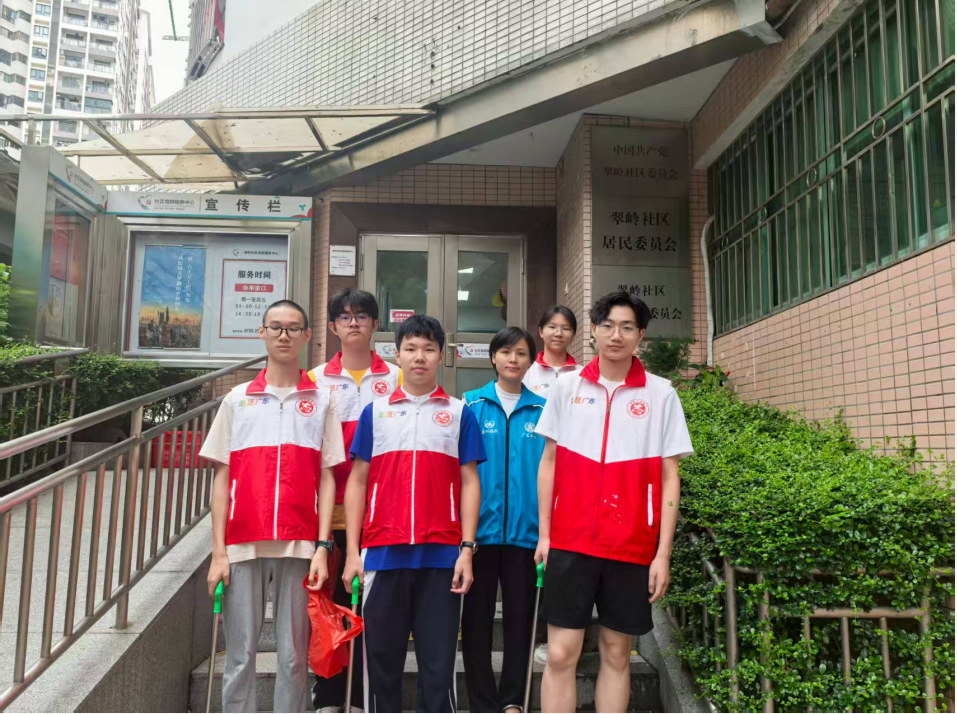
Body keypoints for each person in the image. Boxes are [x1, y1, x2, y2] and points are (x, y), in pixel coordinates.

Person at [534, 291, 693, 713]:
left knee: (617, 652)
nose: (616, 335)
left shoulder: (661, 394)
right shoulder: (567, 387)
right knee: (560, 653)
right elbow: (548, 462)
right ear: (593, 330)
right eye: (607, 326)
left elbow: (670, 477)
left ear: (640, 335)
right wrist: (545, 534)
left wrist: (662, 554)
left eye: (626, 327)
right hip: (569, 541)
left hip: (630, 546)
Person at [201, 299, 344, 713]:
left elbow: (328, 478)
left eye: (293, 328)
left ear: (307, 336)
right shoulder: (237, 399)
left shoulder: (322, 400)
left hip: (301, 544)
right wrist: (218, 552)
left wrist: (323, 547)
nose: (284, 335)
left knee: (294, 656)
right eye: (276, 327)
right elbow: (221, 477)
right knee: (240, 655)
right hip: (242, 541)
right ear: (261, 332)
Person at [342, 314, 486, 713]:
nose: (419, 357)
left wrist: (467, 549)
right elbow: (357, 482)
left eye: (428, 349)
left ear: (440, 355)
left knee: (438, 669)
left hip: (442, 558)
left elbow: (470, 482)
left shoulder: (459, 413)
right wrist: (352, 551)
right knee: (381, 666)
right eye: (411, 348)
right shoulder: (375, 412)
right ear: (397, 354)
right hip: (382, 555)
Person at [309, 288, 402, 713]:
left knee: (374, 607)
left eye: (362, 315)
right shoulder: (315, 380)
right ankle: (329, 694)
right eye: (344, 317)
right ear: (332, 327)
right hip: (330, 515)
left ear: (375, 324)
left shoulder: (397, 377)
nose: (353, 322)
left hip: (382, 512)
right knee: (330, 605)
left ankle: (365, 695)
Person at [462, 326, 546, 714]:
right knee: (476, 624)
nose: (513, 359)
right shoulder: (470, 405)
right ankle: (482, 703)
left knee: (520, 622)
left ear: (531, 361)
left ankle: (513, 700)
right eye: (506, 352)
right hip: (478, 535)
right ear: (493, 357)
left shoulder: (543, 410)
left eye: (522, 353)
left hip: (526, 536)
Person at [523, 306, 583, 398]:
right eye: (552, 327)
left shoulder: (582, 375)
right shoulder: (527, 374)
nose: (558, 333)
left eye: (566, 328)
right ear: (541, 331)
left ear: (573, 335)